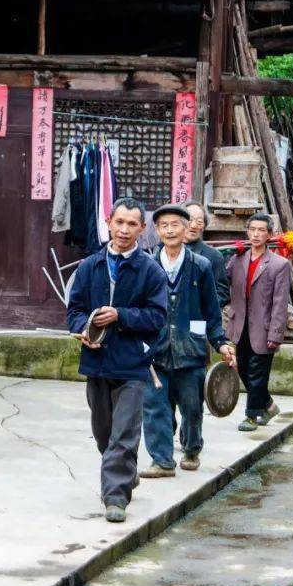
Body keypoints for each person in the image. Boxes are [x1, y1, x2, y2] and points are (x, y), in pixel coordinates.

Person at [67, 197, 168, 523]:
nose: (124, 230)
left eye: (131, 224)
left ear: (142, 229)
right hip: (96, 361)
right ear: (108, 222)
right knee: (103, 432)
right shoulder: (89, 266)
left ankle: (115, 497)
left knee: (124, 433)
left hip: (132, 364)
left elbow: (157, 317)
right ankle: (126, 471)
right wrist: (82, 329)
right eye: (119, 222)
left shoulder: (150, 270)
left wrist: (120, 315)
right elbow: (75, 309)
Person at [140, 204, 234, 477]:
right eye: (164, 226)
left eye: (175, 225)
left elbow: (212, 310)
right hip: (155, 351)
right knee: (155, 406)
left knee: (192, 406)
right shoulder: (148, 265)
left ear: (187, 228)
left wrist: (220, 342)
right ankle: (162, 460)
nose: (170, 230)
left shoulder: (201, 266)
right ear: (157, 231)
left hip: (190, 348)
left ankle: (192, 449)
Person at [225, 213, 292, 432]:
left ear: (269, 234)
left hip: (263, 328)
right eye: (252, 229)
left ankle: (252, 416)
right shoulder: (237, 259)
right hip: (240, 324)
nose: (256, 234)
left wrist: (276, 333)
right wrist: (228, 253)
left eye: (261, 230)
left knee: (257, 372)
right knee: (243, 368)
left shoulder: (279, 264)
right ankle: (268, 404)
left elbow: (280, 302)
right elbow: (222, 281)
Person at [183, 200, 231, 307]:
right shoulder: (165, 250)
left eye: (199, 222)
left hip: (198, 319)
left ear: (204, 226)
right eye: (189, 220)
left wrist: (201, 308)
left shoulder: (213, 255)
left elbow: (223, 293)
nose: (194, 226)